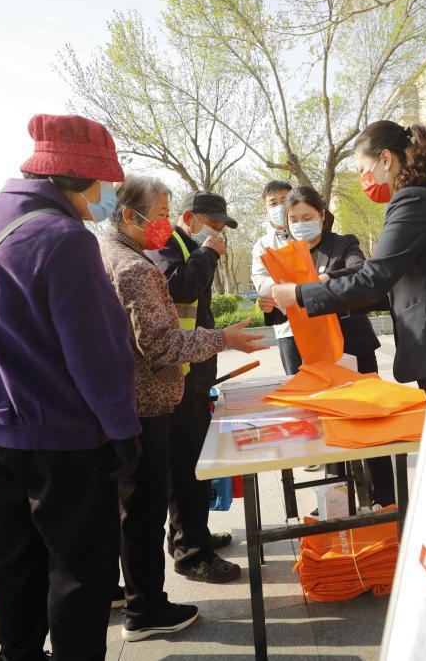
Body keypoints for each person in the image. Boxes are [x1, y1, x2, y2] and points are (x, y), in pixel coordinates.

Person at [0, 113, 140, 661]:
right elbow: (98, 352)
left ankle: (18, 653)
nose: (103, 196)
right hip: (62, 437)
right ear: (78, 177)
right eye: (102, 183)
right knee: (79, 566)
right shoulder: (64, 238)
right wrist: (124, 432)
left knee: (12, 553)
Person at [98, 176, 266, 642]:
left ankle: (144, 595)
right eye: (162, 214)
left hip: (152, 394)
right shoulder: (135, 265)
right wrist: (224, 338)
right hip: (151, 398)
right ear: (131, 215)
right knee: (145, 506)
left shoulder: (114, 252)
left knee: (144, 503)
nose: (165, 225)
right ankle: (145, 607)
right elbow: (158, 341)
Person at [270, 121, 426, 394]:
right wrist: (326, 281)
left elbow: (372, 279)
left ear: (385, 159)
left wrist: (300, 294)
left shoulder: (411, 202)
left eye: (362, 170)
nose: (363, 181)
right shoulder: (419, 198)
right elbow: (385, 286)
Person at [261, 185, 396, 506]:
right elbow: (283, 304)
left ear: (321, 216)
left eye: (307, 217)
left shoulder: (343, 243)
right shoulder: (286, 257)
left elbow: (362, 271)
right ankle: (338, 502)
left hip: (354, 348)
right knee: (328, 429)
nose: (300, 224)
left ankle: (385, 500)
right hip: (316, 354)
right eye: (294, 219)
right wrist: (270, 306)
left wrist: (326, 281)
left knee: (369, 425)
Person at [146, 190, 242, 583]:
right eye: (213, 224)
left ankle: (190, 537)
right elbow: (177, 289)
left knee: (191, 464)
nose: (219, 233)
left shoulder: (191, 248)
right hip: (178, 374)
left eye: (222, 226)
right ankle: (191, 554)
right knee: (186, 467)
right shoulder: (170, 246)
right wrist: (209, 253)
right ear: (189, 217)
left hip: (194, 371)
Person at [250, 180, 302, 374]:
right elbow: (261, 284)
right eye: (273, 203)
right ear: (266, 210)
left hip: (319, 326)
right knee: (297, 386)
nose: (280, 206)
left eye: (285, 200)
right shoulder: (262, 245)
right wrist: (295, 283)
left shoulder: (307, 233)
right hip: (286, 330)